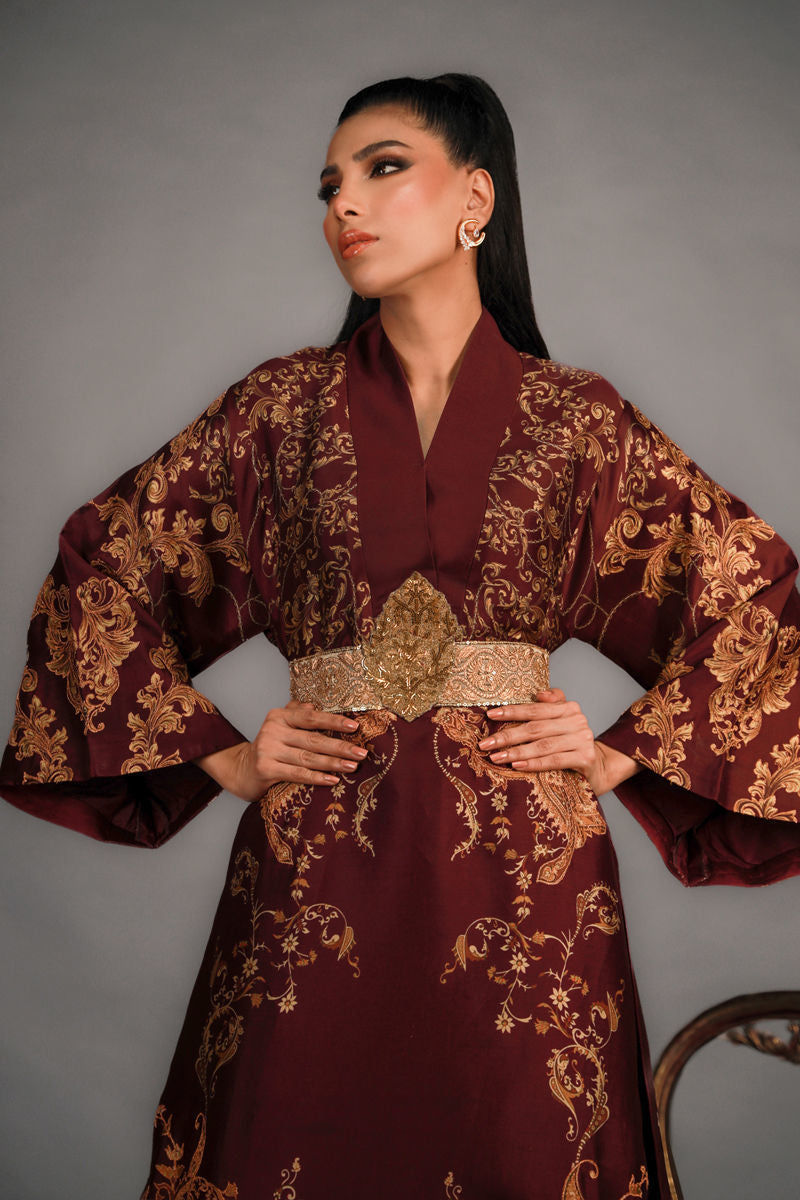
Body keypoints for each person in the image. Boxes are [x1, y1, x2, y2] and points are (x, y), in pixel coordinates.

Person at [2, 72, 799, 1200]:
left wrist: (622, 751)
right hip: (316, 864)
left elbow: (756, 598)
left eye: (382, 169)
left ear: (476, 198)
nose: (344, 204)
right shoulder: (276, 413)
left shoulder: (577, 419)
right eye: (329, 184)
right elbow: (104, 568)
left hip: (527, 877)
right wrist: (222, 755)